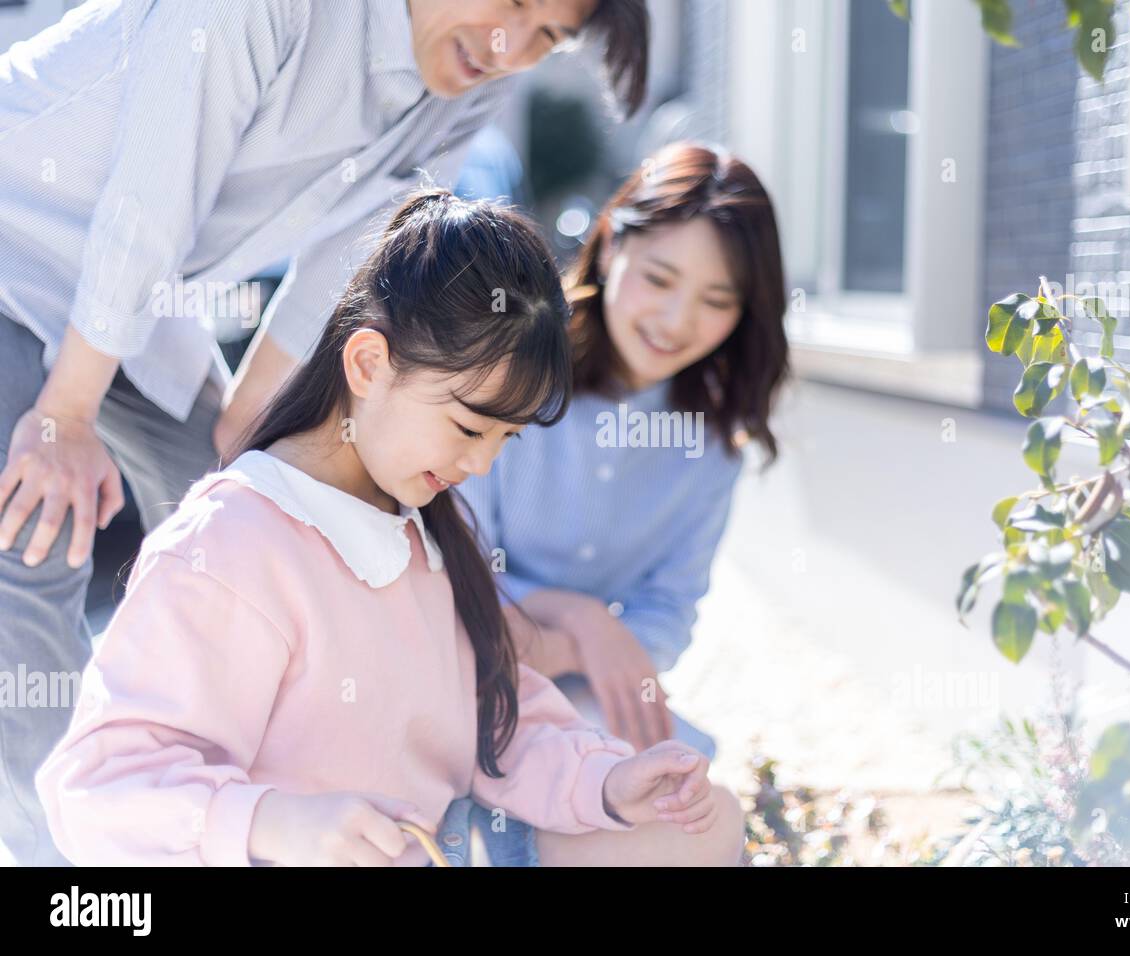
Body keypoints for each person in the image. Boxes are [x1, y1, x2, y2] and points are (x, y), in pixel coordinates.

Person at [0, 0, 649, 865]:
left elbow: (344, 275)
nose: (512, 47)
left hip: (142, 310)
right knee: (41, 522)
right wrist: (64, 417)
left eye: (547, 39)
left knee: (240, 510)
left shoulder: (467, 81)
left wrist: (256, 443)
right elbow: (147, 205)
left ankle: (194, 792)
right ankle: (56, 856)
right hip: (19, 252)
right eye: (516, 3)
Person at [35, 190, 745, 867]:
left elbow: (502, 713)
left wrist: (605, 786)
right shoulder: (229, 544)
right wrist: (274, 822)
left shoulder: (428, 529)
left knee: (702, 822)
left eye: (506, 439)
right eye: (469, 425)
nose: (479, 462)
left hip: (449, 842)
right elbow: (97, 791)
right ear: (369, 364)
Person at [459, 142, 790, 758]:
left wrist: (570, 646)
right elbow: (453, 561)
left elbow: (668, 611)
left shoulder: (712, 447)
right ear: (611, 246)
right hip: (447, 666)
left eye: (717, 301)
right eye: (659, 279)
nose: (675, 320)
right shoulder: (504, 373)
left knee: (687, 792)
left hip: (574, 689)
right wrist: (584, 619)